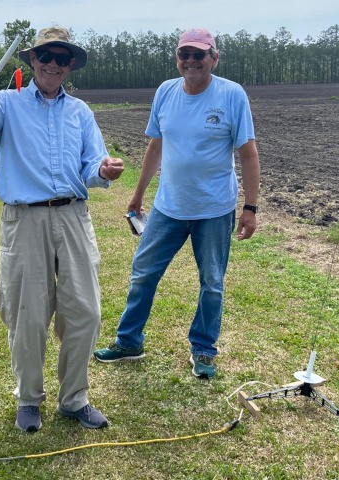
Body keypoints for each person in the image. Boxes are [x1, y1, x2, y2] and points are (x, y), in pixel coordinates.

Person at [0, 26, 124, 432]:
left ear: (70, 65)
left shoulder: (80, 112)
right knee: (27, 315)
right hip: (24, 220)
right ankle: (29, 398)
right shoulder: (6, 103)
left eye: (61, 58)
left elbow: (92, 163)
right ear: (32, 59)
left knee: (85, 312)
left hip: (73, 217)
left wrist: (103, 170)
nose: (53, 64)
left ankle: (74, 399)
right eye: (45, 55)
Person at [94, 28, 260, 379]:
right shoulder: (166, 92)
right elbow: (156, 146)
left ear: (214, 58)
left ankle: (204, 349)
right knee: (143, 273)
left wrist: (250, 207)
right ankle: (129, 342)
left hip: (214, 209)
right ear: (177, 58)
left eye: (199, 54)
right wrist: (138, 194)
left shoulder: (232, 95)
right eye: (184, 54)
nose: (191, 61)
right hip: (168, 207)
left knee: (212, 282)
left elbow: (248, 154)